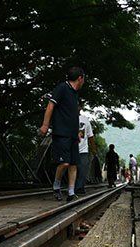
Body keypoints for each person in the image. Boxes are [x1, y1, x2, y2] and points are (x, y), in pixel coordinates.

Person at [39, 66, 85, 202]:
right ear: (80, 78)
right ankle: (56, 186)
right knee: (64, 163)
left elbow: (72, 115)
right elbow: (50, 105)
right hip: (61, 132)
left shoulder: (74, 94)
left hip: (72, 134)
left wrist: (77, 131)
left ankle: (71, 193)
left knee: (73, 164)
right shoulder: (62, 88)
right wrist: (45, 124)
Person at [76, 103, 96, 195]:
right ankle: (73, 187)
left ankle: (80, 187)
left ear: (80, 107)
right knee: (71, 168)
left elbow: (90, 135)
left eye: (78, 105)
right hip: (71, 148)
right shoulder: (68, 117)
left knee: (83, 169)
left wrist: (93, 149)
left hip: (83, 149)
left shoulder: (85, 120)